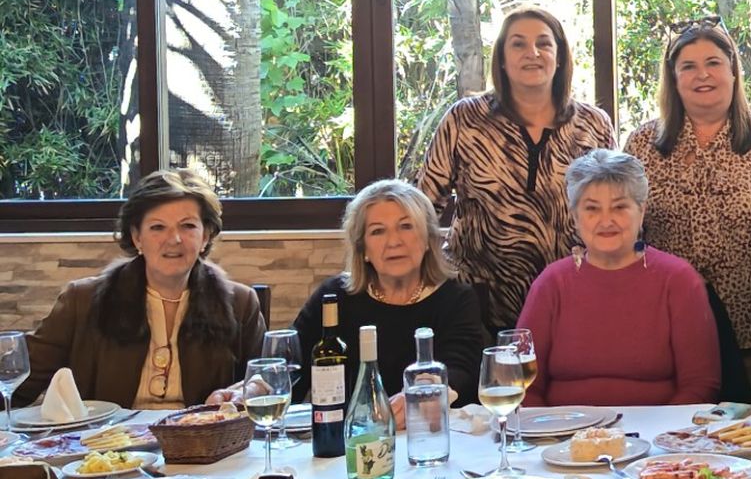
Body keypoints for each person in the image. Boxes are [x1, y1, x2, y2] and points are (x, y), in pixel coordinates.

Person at [622, 18, 751, 395]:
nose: (702, 75)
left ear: (733, 71)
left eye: (713, 63)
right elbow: (626, 235)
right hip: (667, 329)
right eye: (688, 67)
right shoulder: (642, 145)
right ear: (674, 80)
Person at [417, 3, 613, 333]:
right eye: (518, 43)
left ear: (560, 56)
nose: (532, 52)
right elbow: (422, 208)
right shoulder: (465, 119)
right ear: (503, 60)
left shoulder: (593, 124)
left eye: (544, 43)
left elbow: (612, 208)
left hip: (569, 295)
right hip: (476, 302)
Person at [212, 181, 482, 417]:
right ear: (362, 248)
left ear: (427, 241)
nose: (394, 241)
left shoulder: (456, 298)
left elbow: (461, 370)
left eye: (406, 226)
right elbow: (291, 365)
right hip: (348, 441)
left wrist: (423, 395)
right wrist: (252, 388)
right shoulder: (334, 297)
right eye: (378, 231)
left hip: (430, 434)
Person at [20, 169, 263, 408]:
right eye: (157, 227)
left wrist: (251, 389)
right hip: (105, 444)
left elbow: (267, 377)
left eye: (187, 226)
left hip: (204, 442)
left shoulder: (240, 303)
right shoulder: (81, 300)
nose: (174, 239)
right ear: (137, 237)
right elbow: (19, 380)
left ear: (206, 236)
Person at [514, 149, 720, 406]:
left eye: (620, 207)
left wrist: (662, 438)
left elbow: (700, 385)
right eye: (592, 209)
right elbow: (522, 385)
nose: (606, 220)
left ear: (641, 211)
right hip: (561, 438)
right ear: (575, 217)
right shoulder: (551, 283)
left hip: (657, 439)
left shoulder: (678, 280)